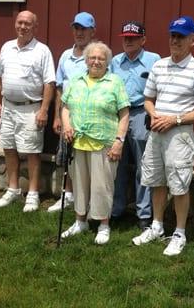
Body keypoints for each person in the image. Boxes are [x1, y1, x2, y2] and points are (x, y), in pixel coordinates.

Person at [132, 16, 194, 256]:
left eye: (181, 37)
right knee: (156, 181)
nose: (175, 41)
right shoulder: (159, 65)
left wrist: (174, 119)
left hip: (180, 135)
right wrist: (155, 114)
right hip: (157, 131)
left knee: (178, 185)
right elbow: (148, 99)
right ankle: (156, 226)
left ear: (193, 40)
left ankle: (179, 233)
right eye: (172, 36)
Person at [60, 42, 130, 245]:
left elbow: (124, 114)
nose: (96, 61)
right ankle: (80, 221)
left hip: (104, 143)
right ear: (86, 60)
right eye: (92, 58)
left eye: (101, 58)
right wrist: (66, 126)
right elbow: (65, 107)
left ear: (107, 61)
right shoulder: (76, 81)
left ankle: (103, 225)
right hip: (78, 142)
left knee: (102, 187)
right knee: (80, 184)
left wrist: (119, 141)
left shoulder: (114, 82)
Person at [0, 11, 56, 212]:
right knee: (9, 148)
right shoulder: (6, 47)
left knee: (31, 151)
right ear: (15, 24)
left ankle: (33, 194)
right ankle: (13, 189)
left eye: (28, 23)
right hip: (8, 107)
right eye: (20, 22)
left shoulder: (42, 51)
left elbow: (49, 83)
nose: (23, 26)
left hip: (31, 108)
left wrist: (44, 110)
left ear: (35, 27)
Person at [110, 21, 160, 230]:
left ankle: (144, 214)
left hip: (141, 114)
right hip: (117, 115)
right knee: (116, 164)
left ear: (143, 39)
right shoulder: (115, 61)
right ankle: (116, 209)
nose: (128, 41)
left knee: (143, 166)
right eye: (125, 38)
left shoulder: (153, 60)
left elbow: (159, 88)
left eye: (133, 38)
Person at [48, 11, 97, 213]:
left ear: (92, 32)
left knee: (87, 160)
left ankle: (87, 200)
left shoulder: (96, 56)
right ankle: (68, 196)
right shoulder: (66, 56)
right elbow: (59, 87)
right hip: (68, 116)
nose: (79, 32)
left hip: (89, 117)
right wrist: (58, 116)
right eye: (76, 28)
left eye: (84, 29)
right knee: (68, 157)